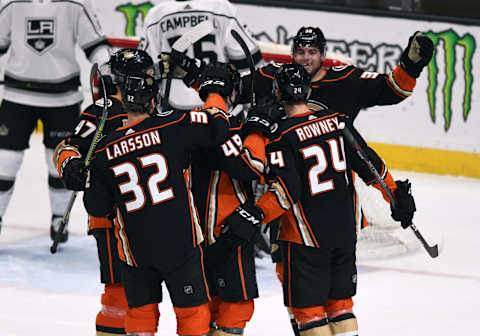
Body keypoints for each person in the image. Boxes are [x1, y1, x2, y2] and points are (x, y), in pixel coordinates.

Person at [225, 63, 416, 336]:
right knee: (341, 307)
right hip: (345, 232)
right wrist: (395, 194)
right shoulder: (337, 121)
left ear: (278, 94)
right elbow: (369, 164)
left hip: (306, 239)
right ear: (309, 90)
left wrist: (256, 214)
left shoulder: (280, 135)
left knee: (309, 314)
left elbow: (285, 192)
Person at [82, 63, 233, 336]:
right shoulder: (174, 124)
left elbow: (97, 207)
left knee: (140, 316)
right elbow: (218, 127)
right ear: (153, 101)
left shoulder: (104, 151)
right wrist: (214, 92)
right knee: (193, 314)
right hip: (180, 245)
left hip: (135, 250)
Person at [53, 48, 155, 336]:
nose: (151, 80)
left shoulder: (155, 110)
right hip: (109, 217)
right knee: (118, 294)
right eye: (146, 75)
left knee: (143, 295)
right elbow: (67, 148)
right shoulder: (101, 110)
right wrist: (70, 165)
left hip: (147, 214)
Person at [0, 0, 111, 237]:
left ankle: (59, 220)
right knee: (4, 161)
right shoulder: (11, 3)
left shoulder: (76, 3)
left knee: (59, 162)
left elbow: (95, 44)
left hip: (62, 99)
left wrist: (109, 71)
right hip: (17, 96)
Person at [140, 0, 263, 111]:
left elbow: (143, 70)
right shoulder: (221, 8)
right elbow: (252, 62)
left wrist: (164, 68)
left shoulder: (156, 15)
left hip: (174, 111)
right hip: (219, 107)